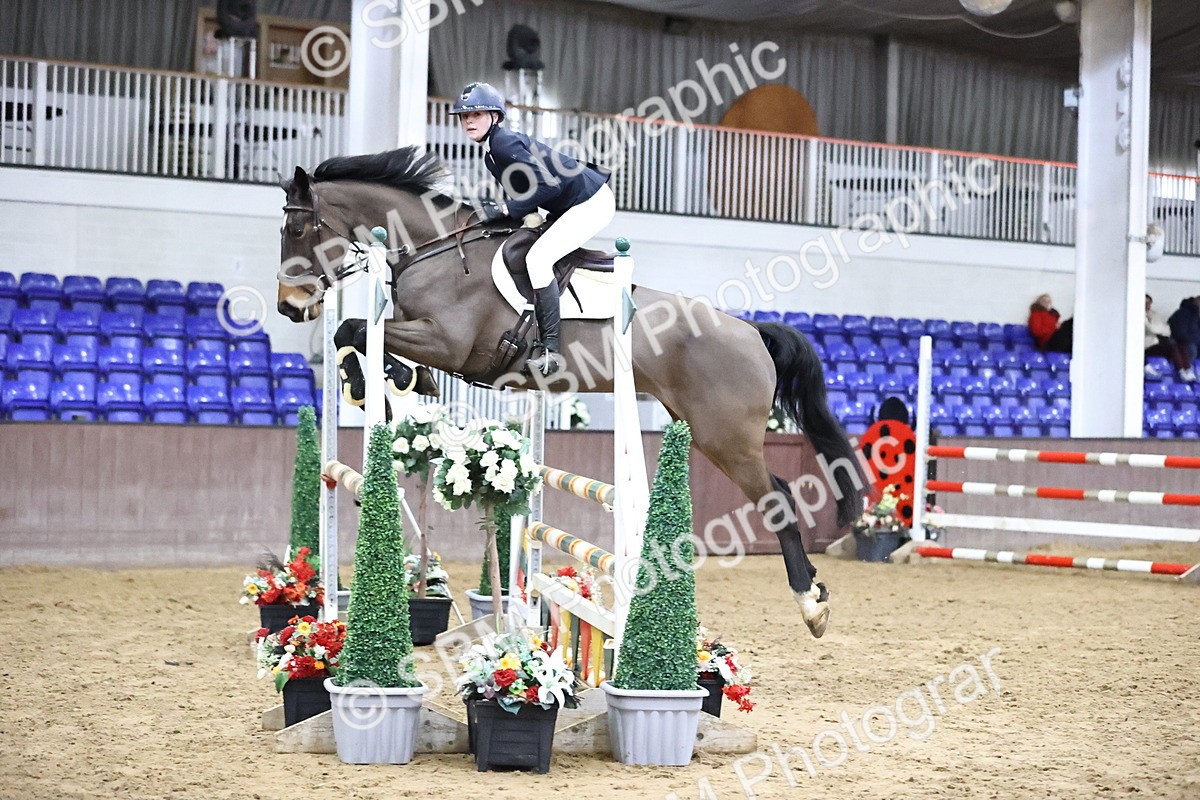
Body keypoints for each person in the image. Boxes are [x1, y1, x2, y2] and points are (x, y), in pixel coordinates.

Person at [449, 81, 615, 376]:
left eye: (476, 114)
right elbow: (528, 198)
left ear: (495, 117)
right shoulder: (491, 154)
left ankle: (551, 350)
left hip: (591, 202)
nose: (469, 121)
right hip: (569, 203)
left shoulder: (503, 144)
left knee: (538, 259)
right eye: (465, 116)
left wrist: (504, 211)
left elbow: (546, 186)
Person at [1145, 294, 1195, 381]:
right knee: (1172, 345)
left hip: (1159, 341)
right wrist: (1158, 329)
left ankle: (1187, 369)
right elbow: (1151, 329)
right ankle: (1182, 371)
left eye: (1149, 303)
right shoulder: (1136, 315)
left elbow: (1167, 329)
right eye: (1146, 303)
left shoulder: (1154, 314)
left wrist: (1157, 329)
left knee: (1182, 345)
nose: (1148, 305)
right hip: (1148, 345)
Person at [1168, 296, 1200, 371]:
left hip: (1192, 340)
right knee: (1192, 349)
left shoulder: (1196, 315)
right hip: (1180, 341)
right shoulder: (1183, 313)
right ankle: (1186, 372)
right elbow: (1180, 333)